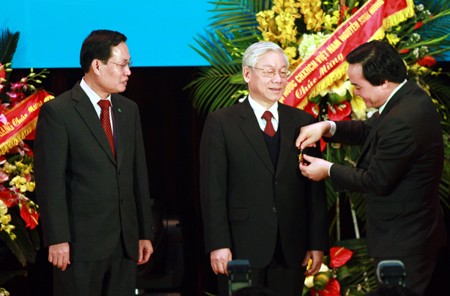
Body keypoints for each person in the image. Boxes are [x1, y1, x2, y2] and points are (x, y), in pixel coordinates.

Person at [296, 40, 447, 296]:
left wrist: (328, 169)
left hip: (405, 243)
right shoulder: (406, 97)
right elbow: (370, 130)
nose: (354, 92)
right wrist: (327, 127)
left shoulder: (403, 120)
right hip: (412, 233)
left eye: (357, 86)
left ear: (383, 82)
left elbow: (376, 180)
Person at [199, 41, 329, 296]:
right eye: (269, 72)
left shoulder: (303, 122)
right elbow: (212, 190)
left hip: (291, 248)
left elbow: (315, 189)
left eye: (283, 72)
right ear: (248, 74)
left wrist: (316, 243)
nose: (278, 79)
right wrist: (219, 244)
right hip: (241, 247)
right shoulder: (221, 123)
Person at [34, 29, 154, 296]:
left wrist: (144, 232)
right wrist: (57, 238)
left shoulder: (128, 110)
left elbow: (138, 176)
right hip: (79, 245)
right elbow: (50, 182)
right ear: (97, 65)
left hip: (124, 243)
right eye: (122, 65)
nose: (128, 72)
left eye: (129, 64)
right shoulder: (59, 112)